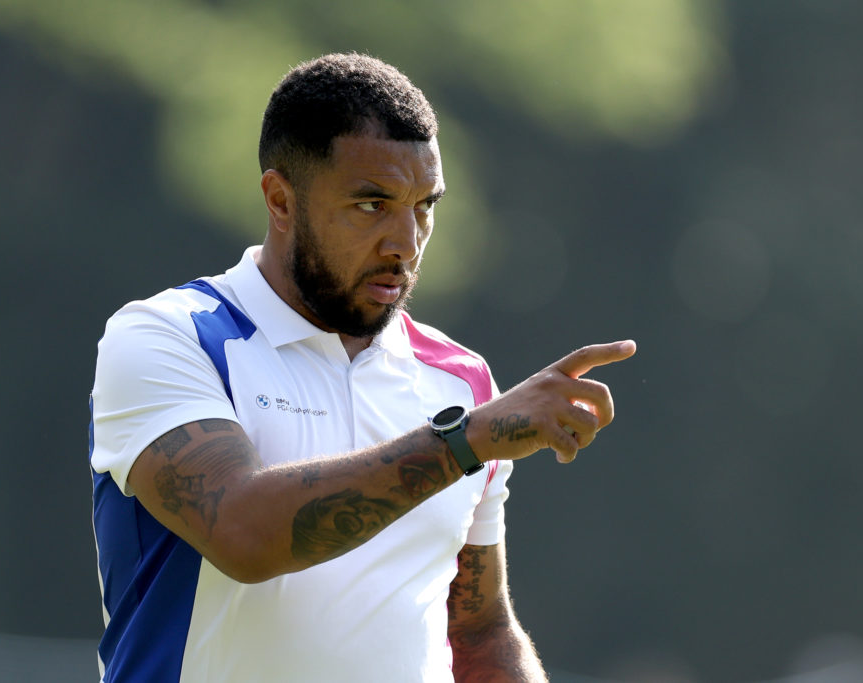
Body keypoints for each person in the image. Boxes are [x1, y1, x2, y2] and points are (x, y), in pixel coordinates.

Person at [89, 52, 636, 683]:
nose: (406, 242)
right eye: (372, 204)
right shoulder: (170, 336)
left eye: (424, 206)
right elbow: (242, 531)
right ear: (280, 199)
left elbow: (477, 631)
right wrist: (467, 438)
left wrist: (470, 431)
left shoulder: (460, 381)